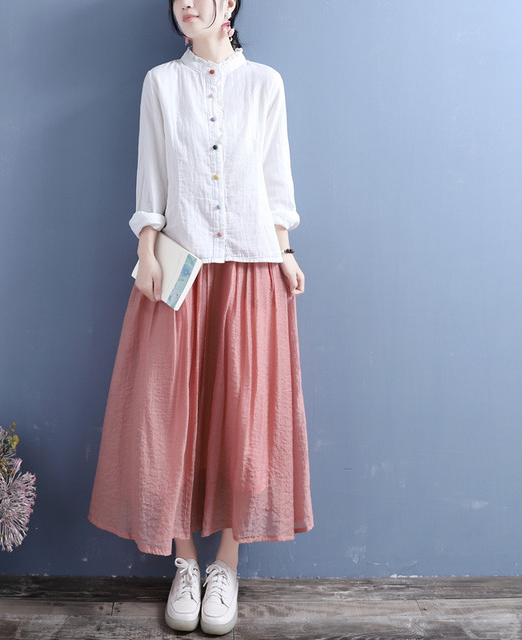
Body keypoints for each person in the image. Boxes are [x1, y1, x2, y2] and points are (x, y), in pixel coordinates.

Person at [88, 0, 314, 634]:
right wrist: (145, 251)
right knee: (167, 422)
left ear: (230, 4)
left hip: (251, 268)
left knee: (244, 422)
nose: (188, 3)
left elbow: (275, 179)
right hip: (180, 270)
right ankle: (184, 562)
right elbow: (152, 177)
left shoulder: (265, 84)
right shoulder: (161, 84)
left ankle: (226, 567)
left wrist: (286, 251)